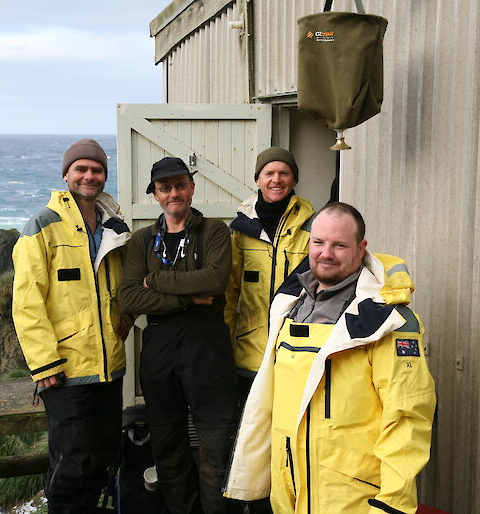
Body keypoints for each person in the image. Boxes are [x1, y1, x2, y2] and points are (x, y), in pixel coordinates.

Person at [224, 202, 436, 514]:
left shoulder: (386, 321)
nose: (326, 253)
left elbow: (407, 418)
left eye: (339, 245)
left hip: (354, 500)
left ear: (361, 248)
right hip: (289, 494)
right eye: (319, 242)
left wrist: (391, 504)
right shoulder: (289, 305)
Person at [12, 138, 131, 513]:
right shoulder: (42, 226)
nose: (89, 176)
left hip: (109, 368)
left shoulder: (114, 226)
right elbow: (27, 301)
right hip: (63, 371)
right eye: (81, 169)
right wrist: (44, 363)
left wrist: (121, 325)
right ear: (66, 175)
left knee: (105, 452)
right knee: (71, 463)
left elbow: (121, 289)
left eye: (96, 170)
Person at [119, 156, 241, 514]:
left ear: (191, 187)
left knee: (216, 449)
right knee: (169, 450)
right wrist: (191, 298)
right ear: (156, 194)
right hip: (159, 355)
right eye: (165, 187)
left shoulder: (215, 231)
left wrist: (155, 281)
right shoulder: (142, 241)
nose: (174, 193)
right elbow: (129, 297)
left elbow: (215, 280)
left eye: (180, 185)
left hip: (208, 353)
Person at [225, 147, 315, 403]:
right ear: (258, 180)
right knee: (251, 431)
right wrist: (223, 344)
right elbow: (229, 293)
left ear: (294, 179)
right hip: (250, 352)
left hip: (295, 349)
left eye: (284, 173)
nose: (277, 179)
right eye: (269, 173)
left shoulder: (313, 226)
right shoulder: (241, 229)